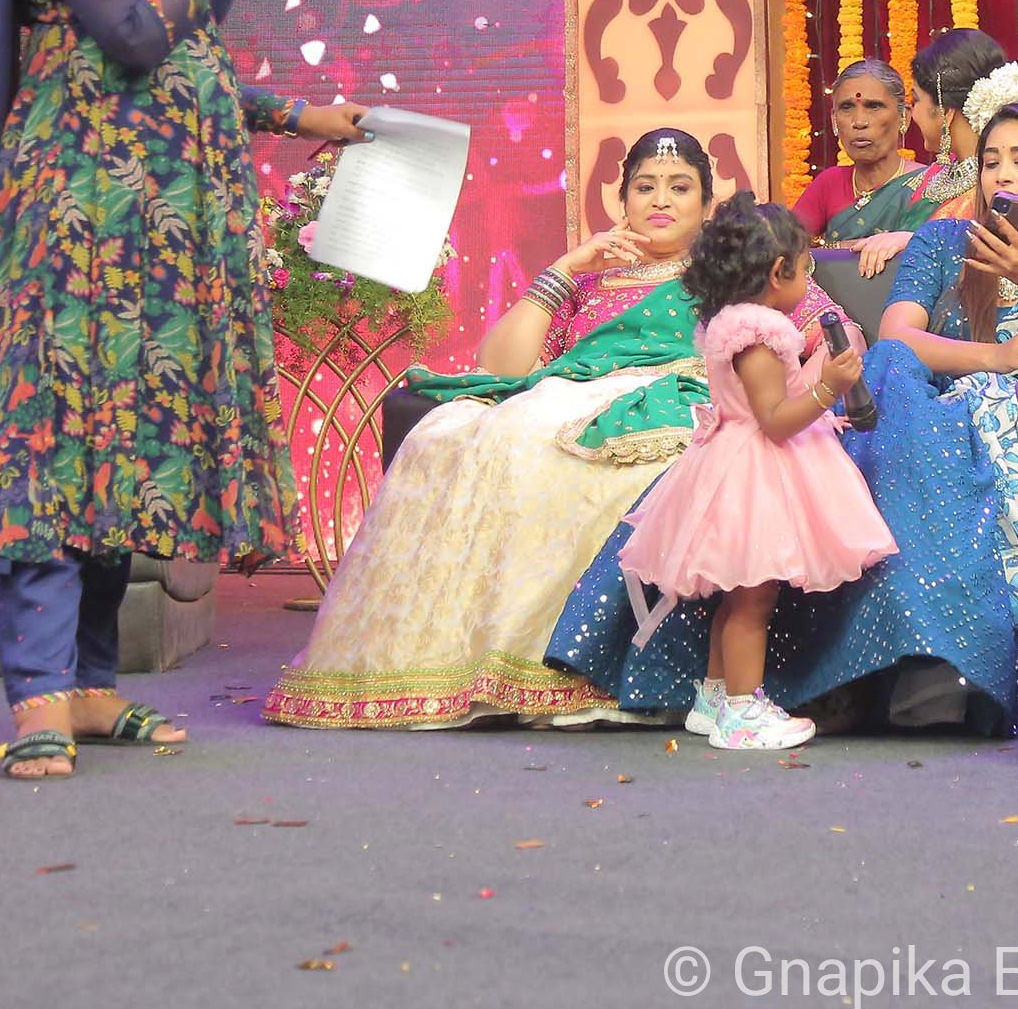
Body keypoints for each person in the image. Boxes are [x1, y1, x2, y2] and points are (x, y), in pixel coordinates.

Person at [0, 0, 367, 779]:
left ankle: (92, 688)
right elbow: (132, 35)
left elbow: (187, 59)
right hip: (78, 214)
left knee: (122, 448)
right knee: (54, 440)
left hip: (168, 226)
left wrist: (297, 116)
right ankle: (38, 695)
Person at [552, 102, 1018, 735]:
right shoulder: (944, 243)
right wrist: (995, 358)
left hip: (992, 417)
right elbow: (898, 336)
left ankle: (907, 666)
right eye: (990, 162)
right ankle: (775, 683)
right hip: (918, 405)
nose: (1002, 175)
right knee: (886, 371)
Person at [261, 129, 852, 730]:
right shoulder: (591, 281)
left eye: (680, 187)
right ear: (622, 200)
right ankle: (455, 660)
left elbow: (834, 331)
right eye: (644, 187)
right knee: (452, 435)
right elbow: (502, 367)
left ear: (706, 203)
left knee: (555, 456)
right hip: (565, 396)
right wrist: (566, 269)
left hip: (677, 400)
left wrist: (803, 387)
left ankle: (573, 666)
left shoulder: (736, 275)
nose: (660, 200)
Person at [613, 196, 895, 751]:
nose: (808, 281)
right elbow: (775, 421)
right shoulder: (759, 334)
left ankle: (715, 698)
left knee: (737, 596)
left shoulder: (734, 324)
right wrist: (830, 387)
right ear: (778, 272)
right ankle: (742, 711)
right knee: (752, 601)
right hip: (756, 475)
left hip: (735, 462)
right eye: (806, 268)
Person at [848, 29, 1018, 275]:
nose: (912, 113)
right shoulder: (932, 176)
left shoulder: (1004, 185)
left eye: (916, 100)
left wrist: (914, 241)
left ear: (945, 112)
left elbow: (1017, 254)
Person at [790, 61, 938, 245]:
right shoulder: (829, 183)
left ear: (904, 117)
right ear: (834, 119)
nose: (859, 122)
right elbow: (783, 249)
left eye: (874, 106)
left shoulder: (929, 185)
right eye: (846, 107)